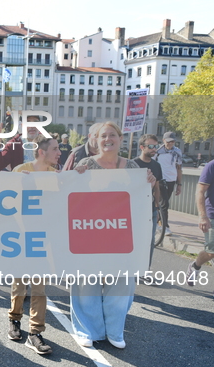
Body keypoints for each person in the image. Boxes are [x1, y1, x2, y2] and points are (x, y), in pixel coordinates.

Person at [70, 122, 156, 349]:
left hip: (122, 237)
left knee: (121, 284)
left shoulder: (134, 168)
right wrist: (74, 177)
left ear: (120, 138)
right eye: (103, 136)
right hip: (89, 234)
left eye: (112, 135)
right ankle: (87, 329)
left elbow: (145, 200)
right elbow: (70, 196)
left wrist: (150, 183)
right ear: (96, 141)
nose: (108, 139)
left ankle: (115, 330)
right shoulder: (85, 164)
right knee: (86, 284)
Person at [7, 134, 61, 355]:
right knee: (19, 284)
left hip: (43, 238)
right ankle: (14, 319)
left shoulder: (56, 176)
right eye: (56, 149)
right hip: (21, 236)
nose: (59, 153)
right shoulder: (20, 171)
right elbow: (6, 200)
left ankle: (35, 333)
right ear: (42, 152)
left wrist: (78, 176)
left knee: (39, 287)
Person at [185, 137, 214, 302]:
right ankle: (195, 265)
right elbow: (200, 192)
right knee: (212, 251)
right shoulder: (213, 166)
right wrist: (203, 216)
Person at [134, 135, 163, 277]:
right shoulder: (132, 164)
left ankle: (145, 270)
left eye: (155, 146)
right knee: (134, 241)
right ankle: (132, 269)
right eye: (151, 146)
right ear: (142, 147)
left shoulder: (156, 166)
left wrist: (157, 208)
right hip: (134, 210)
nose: (154, 149)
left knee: (150, 242)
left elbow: (157, 188)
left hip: (150, 210)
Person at [154, 131, 183, 236]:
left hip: (171, 180)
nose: (171, 144)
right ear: (164, 140)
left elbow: (179, 168)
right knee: (165, 203)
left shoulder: (177, 152)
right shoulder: (157, 151)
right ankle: (164, 226)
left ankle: (157, 222)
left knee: (163, 203)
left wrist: (179, 184)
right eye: (169, 141)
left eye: (173, 141)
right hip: (160, 180)